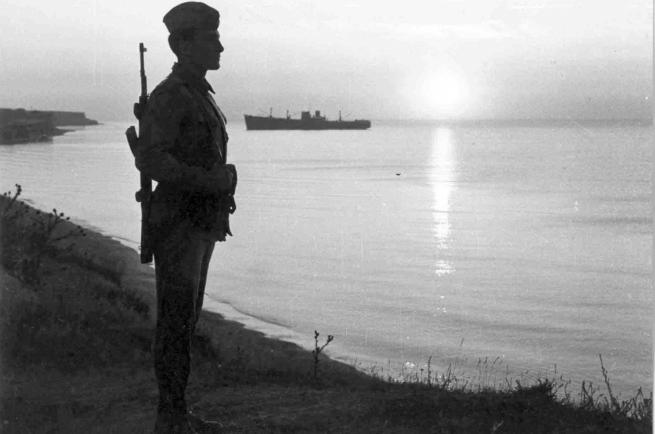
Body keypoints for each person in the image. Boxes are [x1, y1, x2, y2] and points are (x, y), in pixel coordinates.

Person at [134, 2, 236, 433]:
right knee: (176, 321)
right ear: (183, 44)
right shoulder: (172, 95)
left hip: (199, 222)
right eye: (211, 39)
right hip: (180, 223)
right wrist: (209, 181)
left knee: (185, 319)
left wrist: (217, 182)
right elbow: (152, 159)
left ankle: (176, 412)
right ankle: (170, 418)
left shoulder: (198, 95)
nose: (220, 47)